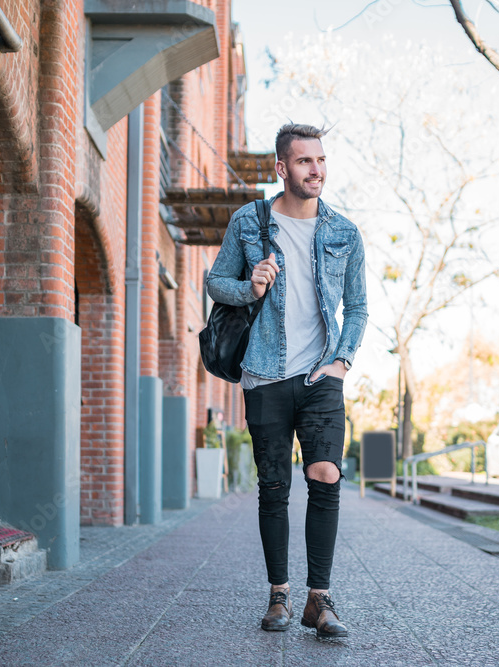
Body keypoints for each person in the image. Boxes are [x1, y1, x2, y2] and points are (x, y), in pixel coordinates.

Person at [205, 123, 367, 638]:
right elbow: (215, 281)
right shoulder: (247, 223)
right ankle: (279, 593)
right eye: (303, 162)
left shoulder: (344, 232)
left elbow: (357, 308)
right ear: (281, 168)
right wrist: (249, 289)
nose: (315, 170)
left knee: (325, 474)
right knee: (273, 486)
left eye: (320, 160)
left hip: (320, 371)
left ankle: (319, 599)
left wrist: (341, 361)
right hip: (264, 374)